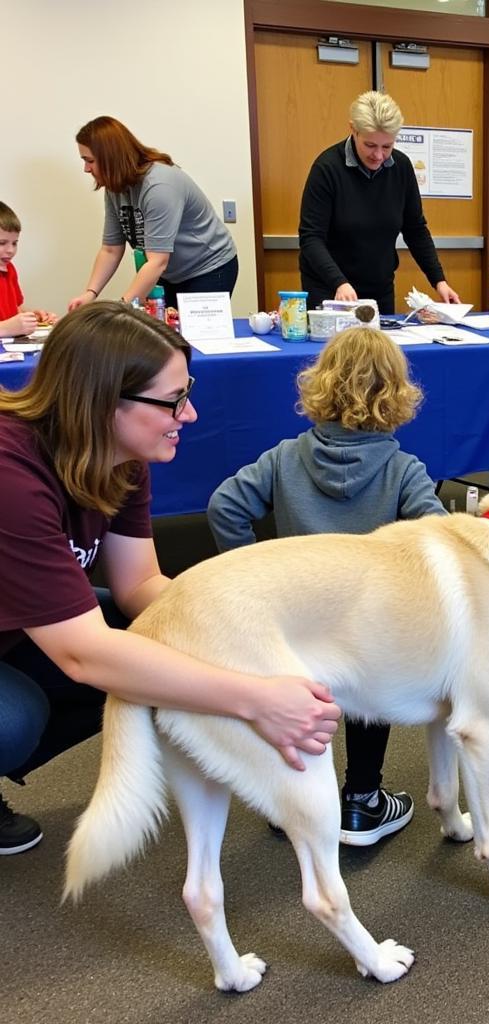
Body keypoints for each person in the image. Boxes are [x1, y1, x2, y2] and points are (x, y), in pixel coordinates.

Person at [0, 303, 340, 855]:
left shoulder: (120, 456)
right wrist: (256, 699)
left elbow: (141, 588)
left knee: (165, 650)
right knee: (17, 721)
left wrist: (247, 629)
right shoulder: (12, 478)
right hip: (43, 636)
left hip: (24, 626)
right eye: (174, 400)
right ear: (106, 402)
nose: (191, 415)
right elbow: (83, 654)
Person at [207, 326, 445, 846]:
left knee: (295, 703)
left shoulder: (284, 457)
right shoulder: (404, 471)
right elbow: (438, 540)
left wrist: (253, 575)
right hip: (370, 627)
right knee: (370, 699)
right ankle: (361, 803)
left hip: (294, 619)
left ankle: (290, 803)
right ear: (398, 396)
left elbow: (225, 506)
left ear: (320, 384)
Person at [298, 90, 461, 314]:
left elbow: (415, 230)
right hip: (331, 288)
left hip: (378, 288)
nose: (378, 155)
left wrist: (439, 280)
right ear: (353, 130)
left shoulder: (401, 168)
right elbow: (311, 238)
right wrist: (339, 282)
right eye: (370, 145)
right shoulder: (327, 169)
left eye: (387, 146)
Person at [67, 116, 239, 312]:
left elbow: (158, 261)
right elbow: (111, 249)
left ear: (111, 157)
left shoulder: (160, 185)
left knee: (192, 336)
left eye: (90, 161)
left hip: (208, 267)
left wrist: (122, 310)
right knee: (164, 333)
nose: (86, 169)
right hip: (168, 272)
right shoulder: (114, 188)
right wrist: (90, 293)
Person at [0, 202, 57, 337]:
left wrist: (31, 317)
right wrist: (5, 328)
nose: (10, 250)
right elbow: (8, 326)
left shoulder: (9, 269)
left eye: (14, 243)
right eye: (2, 243)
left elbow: (15, 309)